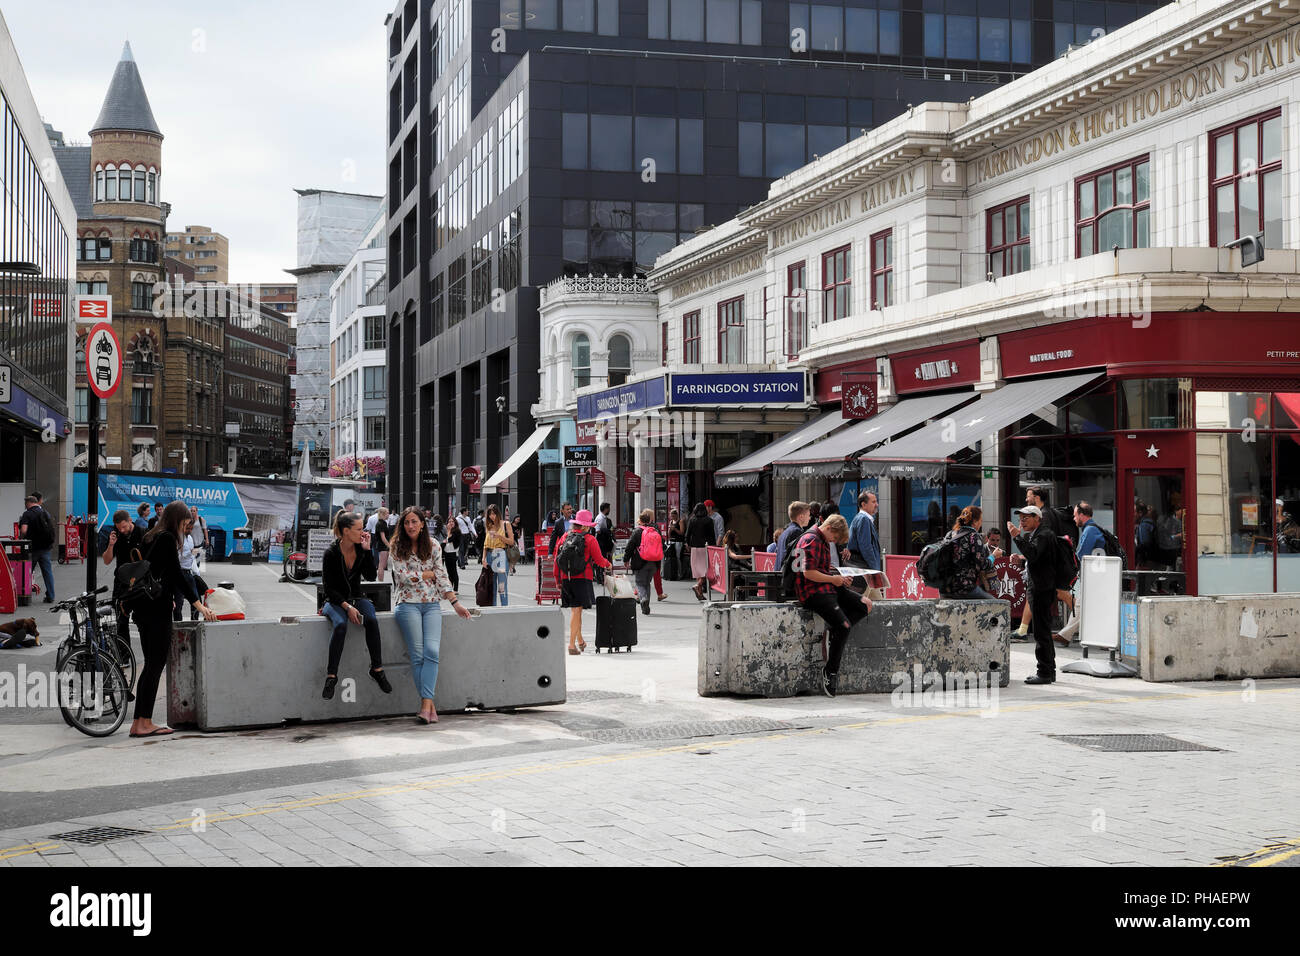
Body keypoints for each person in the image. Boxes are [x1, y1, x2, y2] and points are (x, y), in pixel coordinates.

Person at [126, 501, 217, 737]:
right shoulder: (167, 538)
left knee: (150, 666)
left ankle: (139, 722)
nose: (187, 528)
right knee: (155, 665)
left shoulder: (150, 536)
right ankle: (144, 722)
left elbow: (158, 573)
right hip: (157, 611)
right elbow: (177, 574)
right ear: (178, 519)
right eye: (186, 524)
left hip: (144, 610)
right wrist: (198, 604)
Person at [389, 506, 473, 724]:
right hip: (407, 604)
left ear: (422, 523)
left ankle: (426, 704)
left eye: (414, 521)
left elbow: (441, 576)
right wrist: (426, 574)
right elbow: (402, 577)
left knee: (431, 651)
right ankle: (428, 705)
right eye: (406, 522)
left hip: (432, 604)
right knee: (418, 656)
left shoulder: (434, 545)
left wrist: (455, 603)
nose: (410, 526)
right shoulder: (397, 546)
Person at [794, 514, 872, 698]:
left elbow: (821, 568)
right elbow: (809, 573)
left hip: (827, 586)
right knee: (844, 626)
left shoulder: (821, 539)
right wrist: (834, 579)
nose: (834, 542)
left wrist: (841, 577)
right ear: (830, 528)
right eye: (835, 538)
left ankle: (834, 632)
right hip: (813, 592)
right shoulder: (811, 539)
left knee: (866, 605)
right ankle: (830, 671)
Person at [320, 511, 390, 701]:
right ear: (346, 531)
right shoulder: (331, 553)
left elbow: (370, 576)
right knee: (341, 625)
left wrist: (367, 551)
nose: (363, 532)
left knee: (372, 620)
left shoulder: (360, 548)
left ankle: (377, 669)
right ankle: (331, 676)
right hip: (334, 601)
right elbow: (329, 589)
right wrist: (347, 607)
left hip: (356, 597)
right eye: (359, 529)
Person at [1007, 505, 1058, 685]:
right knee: (1042, 630)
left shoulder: (1044, 534)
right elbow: (1036, 560)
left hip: (1042, 589)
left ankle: (1044, 672)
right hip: (1041, 586)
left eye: (1026, 518)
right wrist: (1021, 560)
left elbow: (1034, 554)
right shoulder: (1038, 535)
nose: (1022, 521)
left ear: (1037, 518)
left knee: (1041, 632)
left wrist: (1016, 537)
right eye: (1020, 518)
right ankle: (1048, 670)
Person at [555, 509, 611, 654]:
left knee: (576, 610)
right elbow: (599, 560)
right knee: (576, 610)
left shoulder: (565, 536)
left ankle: (580, 641)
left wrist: (558, 579)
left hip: (566, 577)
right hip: (582, 578)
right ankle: (571, 645)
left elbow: (557, 559)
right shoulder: (590, 539)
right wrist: (608, 564)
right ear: (586, 526)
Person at [99, 509, 144, 650]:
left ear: (130, 521)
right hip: (122, 584)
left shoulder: (143, 533)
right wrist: (111, 544)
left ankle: (147, 652)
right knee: (121, 621)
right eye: (119, 528)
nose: (122, 530)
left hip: (139, 583)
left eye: (124, 527)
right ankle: (124, 655)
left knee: (142, 620)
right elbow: (106, 560)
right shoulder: (116, 534)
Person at [939, 506, 996, 600]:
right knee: (997, 607)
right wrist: (993, 556)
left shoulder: (950, 534)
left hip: (945, 588)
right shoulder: (974, 536)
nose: (981, 523)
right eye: (980, 520)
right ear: (974, 522)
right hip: (964, 588)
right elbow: (982, 564)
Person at [18, 494, 55, 604]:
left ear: (28, 503)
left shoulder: (27, 514)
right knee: (47, 572)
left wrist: (21, 538)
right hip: (46, 547)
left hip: (32, 548)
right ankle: (50, 596)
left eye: (26, 504)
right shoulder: (45, 512)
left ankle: (24, 595)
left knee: (27, 571)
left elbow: (24, 530)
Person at [625, 509, 663, 615]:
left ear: (640, 521)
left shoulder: (637, 532)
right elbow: (662, 545)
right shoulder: (655, 531)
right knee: (647, 583)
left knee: (640, 583)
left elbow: (630, 546)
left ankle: (644, 599)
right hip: (654, 563)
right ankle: (646, 606)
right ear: (650, 520)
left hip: (641, 562)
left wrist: (626, 559)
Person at [174, 516, 207, 622]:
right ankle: (177, 623)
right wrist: (190, 553)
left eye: (191, 528)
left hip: (189, 573)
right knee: (179, 602)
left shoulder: (190, 538)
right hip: (180, 573)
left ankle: (195, 621)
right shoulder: (177, 539)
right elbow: (176, 557)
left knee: (196, 599)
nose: (189, 531)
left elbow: (192, 559)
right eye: (187, 528)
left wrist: (196, 572)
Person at [481, 503, 515, 606]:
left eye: (494, 514)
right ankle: (493, 606)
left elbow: (511, 542)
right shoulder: (488, 526)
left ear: (498, 514)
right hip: (490, 555)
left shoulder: (506, 524)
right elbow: (485, 545)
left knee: (502, 583)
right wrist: (483, 559)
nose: (492, 516)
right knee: (491, 584)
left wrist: (499, 536)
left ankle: (504, 606)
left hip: (501, 554)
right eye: (490, 514)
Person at [686, 502, 716, 601]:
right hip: (705, 547)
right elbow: (712, 536)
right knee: (705, 569)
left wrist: (687, 544)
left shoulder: (692, 520)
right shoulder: (709, 520)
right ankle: (698, 585)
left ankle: (700, 592)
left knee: (697, 570)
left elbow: (687, 534)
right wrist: (713, 547)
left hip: (694, 547)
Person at [774, 501, 811, 569]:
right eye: (808, 515)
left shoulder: (784, 532)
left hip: (779, 574)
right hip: (787, 576)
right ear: (801, 517)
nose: (810, 518)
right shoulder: (796, 531)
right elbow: (797, 558)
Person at [665, 508, 686, 579]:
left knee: (677, 557)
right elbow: (669, 534)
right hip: (672, 541)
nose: (672, 517)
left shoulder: (680, 521)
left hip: (678, 541)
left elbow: (682, 533)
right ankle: (672, 572)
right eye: (671, 516)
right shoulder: (671, 522)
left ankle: (679, 573)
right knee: (671, 556)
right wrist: (670, 530)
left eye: (673, 516)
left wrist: (675, 529)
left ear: (676, 515)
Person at [373, 507, 392, 582]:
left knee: (383, 565)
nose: (389, 514)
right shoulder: (381, 523)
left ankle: (381, 581)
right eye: (387, 513)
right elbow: (383, 537)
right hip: (382, 545)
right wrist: (389, 546)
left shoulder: (383, 522)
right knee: (382, 565)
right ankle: (380, 581)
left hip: (383, 545)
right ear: (383, 514)